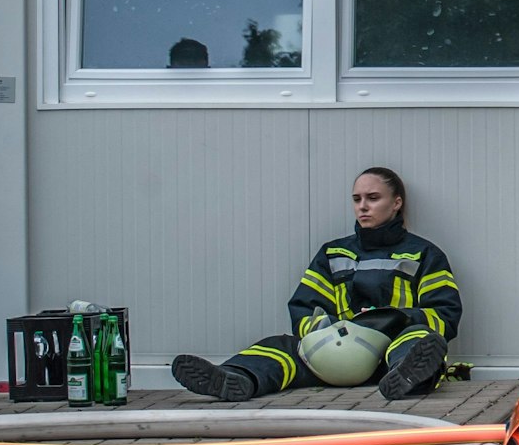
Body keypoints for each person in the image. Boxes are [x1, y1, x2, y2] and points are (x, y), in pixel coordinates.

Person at [172, 167, 461, 402]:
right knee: (280, 347)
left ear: (396, 203)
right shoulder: (333, 253)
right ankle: (235, 378)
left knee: (418, 338)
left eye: (373, 198)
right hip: (331, 352)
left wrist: (398, 320)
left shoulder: (424, 254)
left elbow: (445, 313)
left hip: (388, 353)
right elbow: (304, 305)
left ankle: (406, 377)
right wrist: (326, 336)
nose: (363, 207)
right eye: (357, 199)